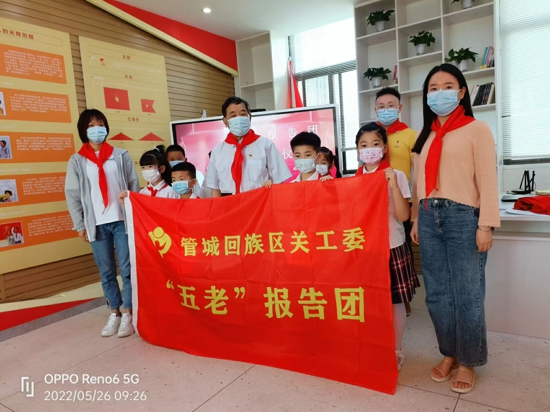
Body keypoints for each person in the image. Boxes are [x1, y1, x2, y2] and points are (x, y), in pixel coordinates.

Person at [410, 63, 500, 394]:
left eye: (447, 86)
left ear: (461, 92)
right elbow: (419, 183)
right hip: (428, 216)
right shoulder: (426, 135)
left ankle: (468, 361)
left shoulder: (477, 129)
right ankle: (449, 353)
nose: (440, 93)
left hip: (463, 217)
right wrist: (416, 218)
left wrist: (486, 225)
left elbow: (488, 179)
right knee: (436, 294)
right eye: (433, 89)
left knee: (467, 293)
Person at [65, 109, 140, 338]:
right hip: (96, 223)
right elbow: (73, 194)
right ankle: (114, 312)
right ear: (83, 130)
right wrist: (79, 224)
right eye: (90, 125)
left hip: (121, 221)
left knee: (127, 269)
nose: (96, 128)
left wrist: (135, 213)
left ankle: (129, 312)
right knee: (106, 271)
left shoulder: (120, 155)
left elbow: (133, 186)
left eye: (100, 123)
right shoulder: (77, 160)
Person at [355, 122, 419, 372]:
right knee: (369, 300)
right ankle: (375, 344)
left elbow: (403, 216)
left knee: (394, 302)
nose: (369, 149)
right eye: (363, 145)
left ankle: (396, 350)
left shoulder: (396, 175)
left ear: (384, 148)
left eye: (375, 144)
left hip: (392, 245)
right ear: (357, 149)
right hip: (364, 248)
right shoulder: (355, 179)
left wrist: (392, 185)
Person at [375, 87, 417, 316]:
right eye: (381, 107)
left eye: (390, 106)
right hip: (375, 203)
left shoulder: (410, 135)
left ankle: (404, 297)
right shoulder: (371, 134)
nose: (386, 110)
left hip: (400, 199)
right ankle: (382, 294)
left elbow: (418, 170)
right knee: (378, 250)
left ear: (399, 108)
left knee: (402, 249)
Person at [205, 96, 291, 196]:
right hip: (229, 202)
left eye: (243, 114)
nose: (239, 118)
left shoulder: (266, 145)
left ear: (249, 117)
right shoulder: (217, 152)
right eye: (233, 115)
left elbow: (279, 180)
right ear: (225, 121)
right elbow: (215, 188)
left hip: (259, 201)